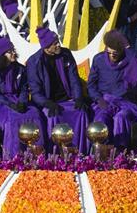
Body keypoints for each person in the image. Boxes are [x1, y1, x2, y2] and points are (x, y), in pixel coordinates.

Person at [27, 26, 90, 154]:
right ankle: (56, 154)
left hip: (67, 99)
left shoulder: (65, 54)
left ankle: (81, 152)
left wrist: (78, 98)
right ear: (46, 47)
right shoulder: (34, 62)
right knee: (53, 116)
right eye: (55, 44)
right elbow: (35, 90)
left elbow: (74, 79)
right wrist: (47, 103)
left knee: (81, 112)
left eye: (58, 42)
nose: (58, 46)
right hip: (48, 101)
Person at [88, 31, 137, 148]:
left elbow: (135, 83)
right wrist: (98, 99)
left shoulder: (131, 59)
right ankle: (100, 154)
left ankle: (121, 154)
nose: (112, 55)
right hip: (104, 101)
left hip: (125, 103)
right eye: (110, 52)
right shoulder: (98, 60)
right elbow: (91, 85)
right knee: (101, 118)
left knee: (121, 117)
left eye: (116, 52)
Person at [0, 36, 45, 157]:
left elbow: (24, 88)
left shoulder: (20, 68)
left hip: (18, 100)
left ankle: (38, 154)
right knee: (12, 119)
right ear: (1, 55)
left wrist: (23, 102)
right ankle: (13, 157)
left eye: (12, 50)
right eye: (9, 51)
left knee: (35, 114)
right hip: (1, 102)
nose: (13, 53)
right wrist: (10, 104)